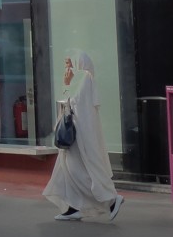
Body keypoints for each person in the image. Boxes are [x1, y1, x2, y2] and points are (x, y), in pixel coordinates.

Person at [43, 51, 125, 221]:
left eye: (70, 64)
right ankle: (74, 207)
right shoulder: (78, 81)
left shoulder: (85, 79)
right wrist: (66, 84)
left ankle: (110, 199)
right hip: (74, 137)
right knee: (67, 171)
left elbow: (76, 105)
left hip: (79, 137)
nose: (67, 68)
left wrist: (67, 86)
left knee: (79, 172)